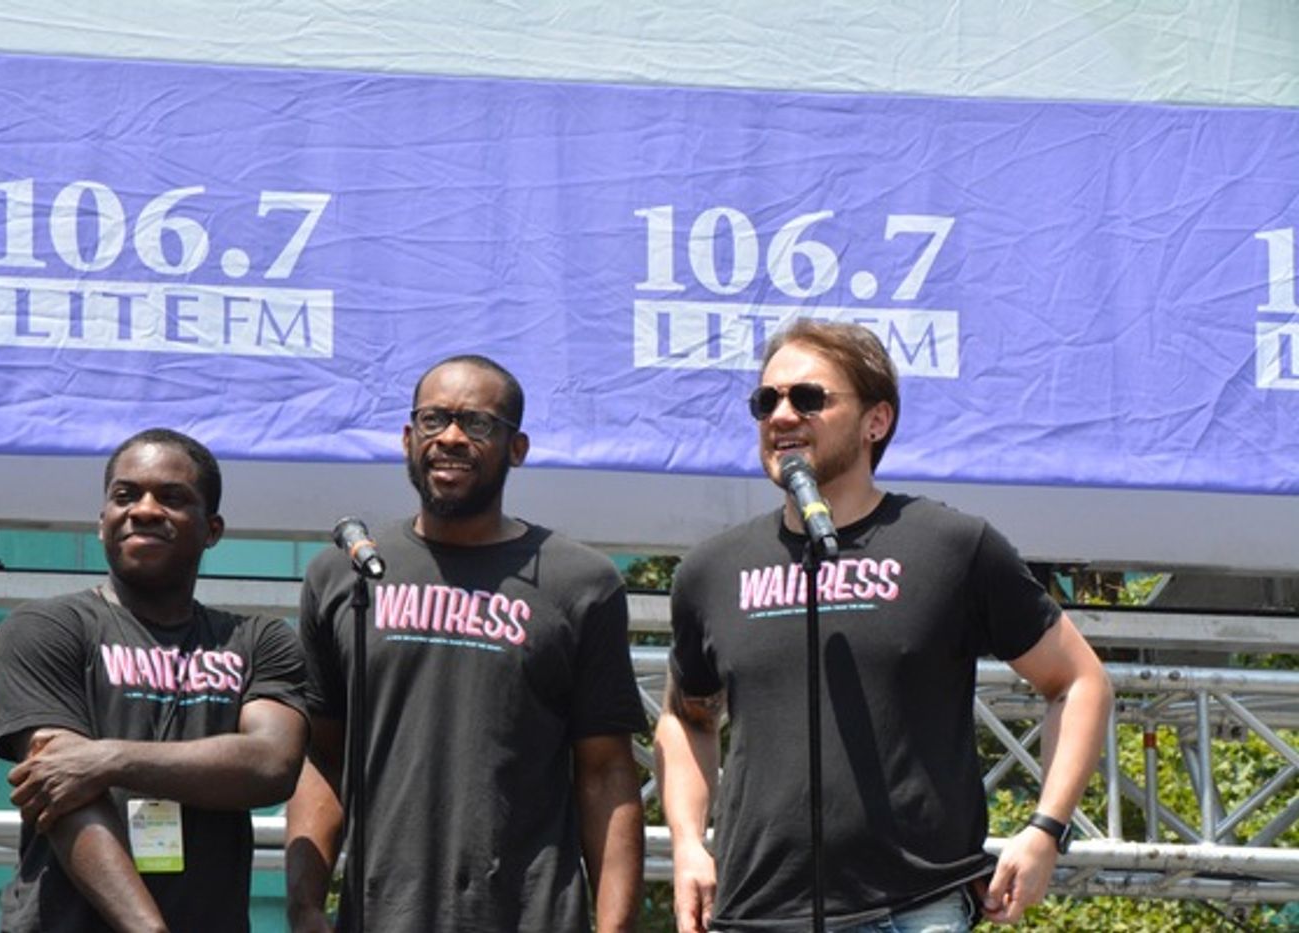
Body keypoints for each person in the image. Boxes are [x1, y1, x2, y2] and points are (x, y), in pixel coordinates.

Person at [654, 321, 1114, 932]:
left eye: (808, 398)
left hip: (913, 910)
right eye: (766, 401)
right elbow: (687, 717)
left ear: (877, 420)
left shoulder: (950, 547)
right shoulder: (712, 569)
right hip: (755, 913)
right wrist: (688, 844)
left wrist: (1046, 830)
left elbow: (1080, 682)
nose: (781, 415)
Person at [285, 354, 647, 933]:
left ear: (518, 448)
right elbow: (323, 757)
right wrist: (304, 905)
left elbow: (606, 773)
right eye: (433, 420)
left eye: (477, 424)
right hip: (381, 917)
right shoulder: (342, 576)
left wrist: (615, 927)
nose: (450, 438)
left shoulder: (580, 581)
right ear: (408, 437)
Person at [0, 428, 309, 933]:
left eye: (172, 497)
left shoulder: (258, 641)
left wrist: (108, 759)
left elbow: (272, 763)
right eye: (125, 495)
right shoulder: (46, 628)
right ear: (102, 523)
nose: (143, 509)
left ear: (212, 529)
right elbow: (62, 791)